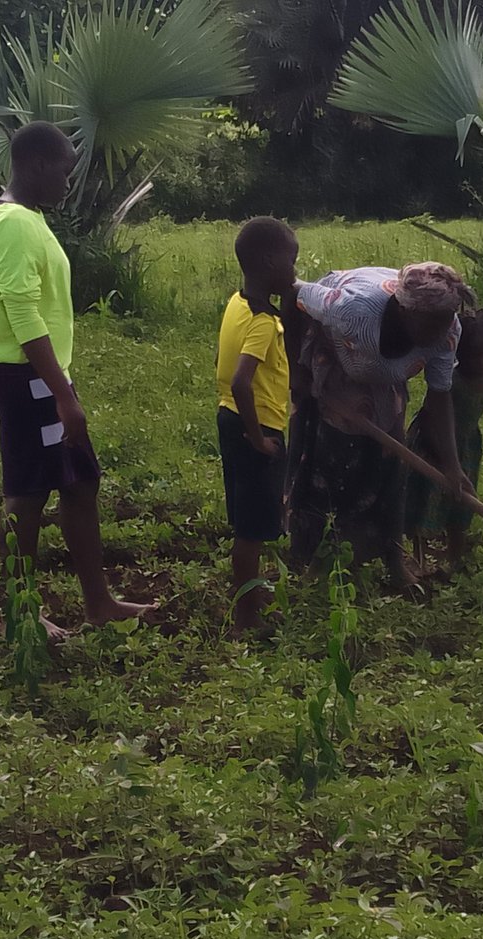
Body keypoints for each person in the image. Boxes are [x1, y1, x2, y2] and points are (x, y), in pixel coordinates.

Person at [0, 122, 151, 638]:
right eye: (65, 172)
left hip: (40, 376)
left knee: (80, 481)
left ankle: (99, 603)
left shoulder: (20, 217)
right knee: (28, 491)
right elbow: (22, 312)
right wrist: (63, 395)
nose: (69, 184)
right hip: (26, 377)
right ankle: (21, 613)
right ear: (37, 165)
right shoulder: (15, 224)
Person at [285, 261, 476, 587]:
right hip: (336, 364)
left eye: (447, 318)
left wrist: (452, 466)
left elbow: (439, 394)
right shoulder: (352, 310)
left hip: (383, 381)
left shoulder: (447, 331)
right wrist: (297, 371)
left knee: (390, 469)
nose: (441, 328)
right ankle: (317, 562)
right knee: (334, 469)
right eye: (432, 321)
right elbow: (293, 293)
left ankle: (393, 560)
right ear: (404, 310)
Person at [216, 217, 299, 632]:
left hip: (230, 417)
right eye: (291, 261)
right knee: (252, 528)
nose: (295, 272)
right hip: (255, 427)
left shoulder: (238, 303)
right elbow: (241, 380)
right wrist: (259, 439)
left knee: (250, 519)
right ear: (269, 262)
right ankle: (246, 617)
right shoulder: (263, 321)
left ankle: (252, 595)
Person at [406, 309, 483, 571]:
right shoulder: (450, 381)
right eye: (473, 356)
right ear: (459, 353)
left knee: (463, 500)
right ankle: (419, 556)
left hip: (468, 446)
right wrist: (442, 457)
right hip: (433, 444)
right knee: (427, 499)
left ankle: (455, 555)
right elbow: (433, 415)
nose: (481, 362)